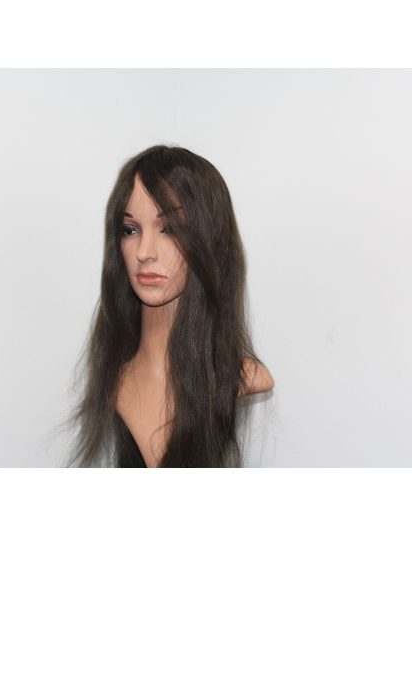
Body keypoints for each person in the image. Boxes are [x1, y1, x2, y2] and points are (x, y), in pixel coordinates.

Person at [61, 144, 274, 468]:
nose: (144, 252)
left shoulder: (241, 376)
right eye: (130, 230)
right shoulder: (116, 380)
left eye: (170, 229)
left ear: (209, 240)